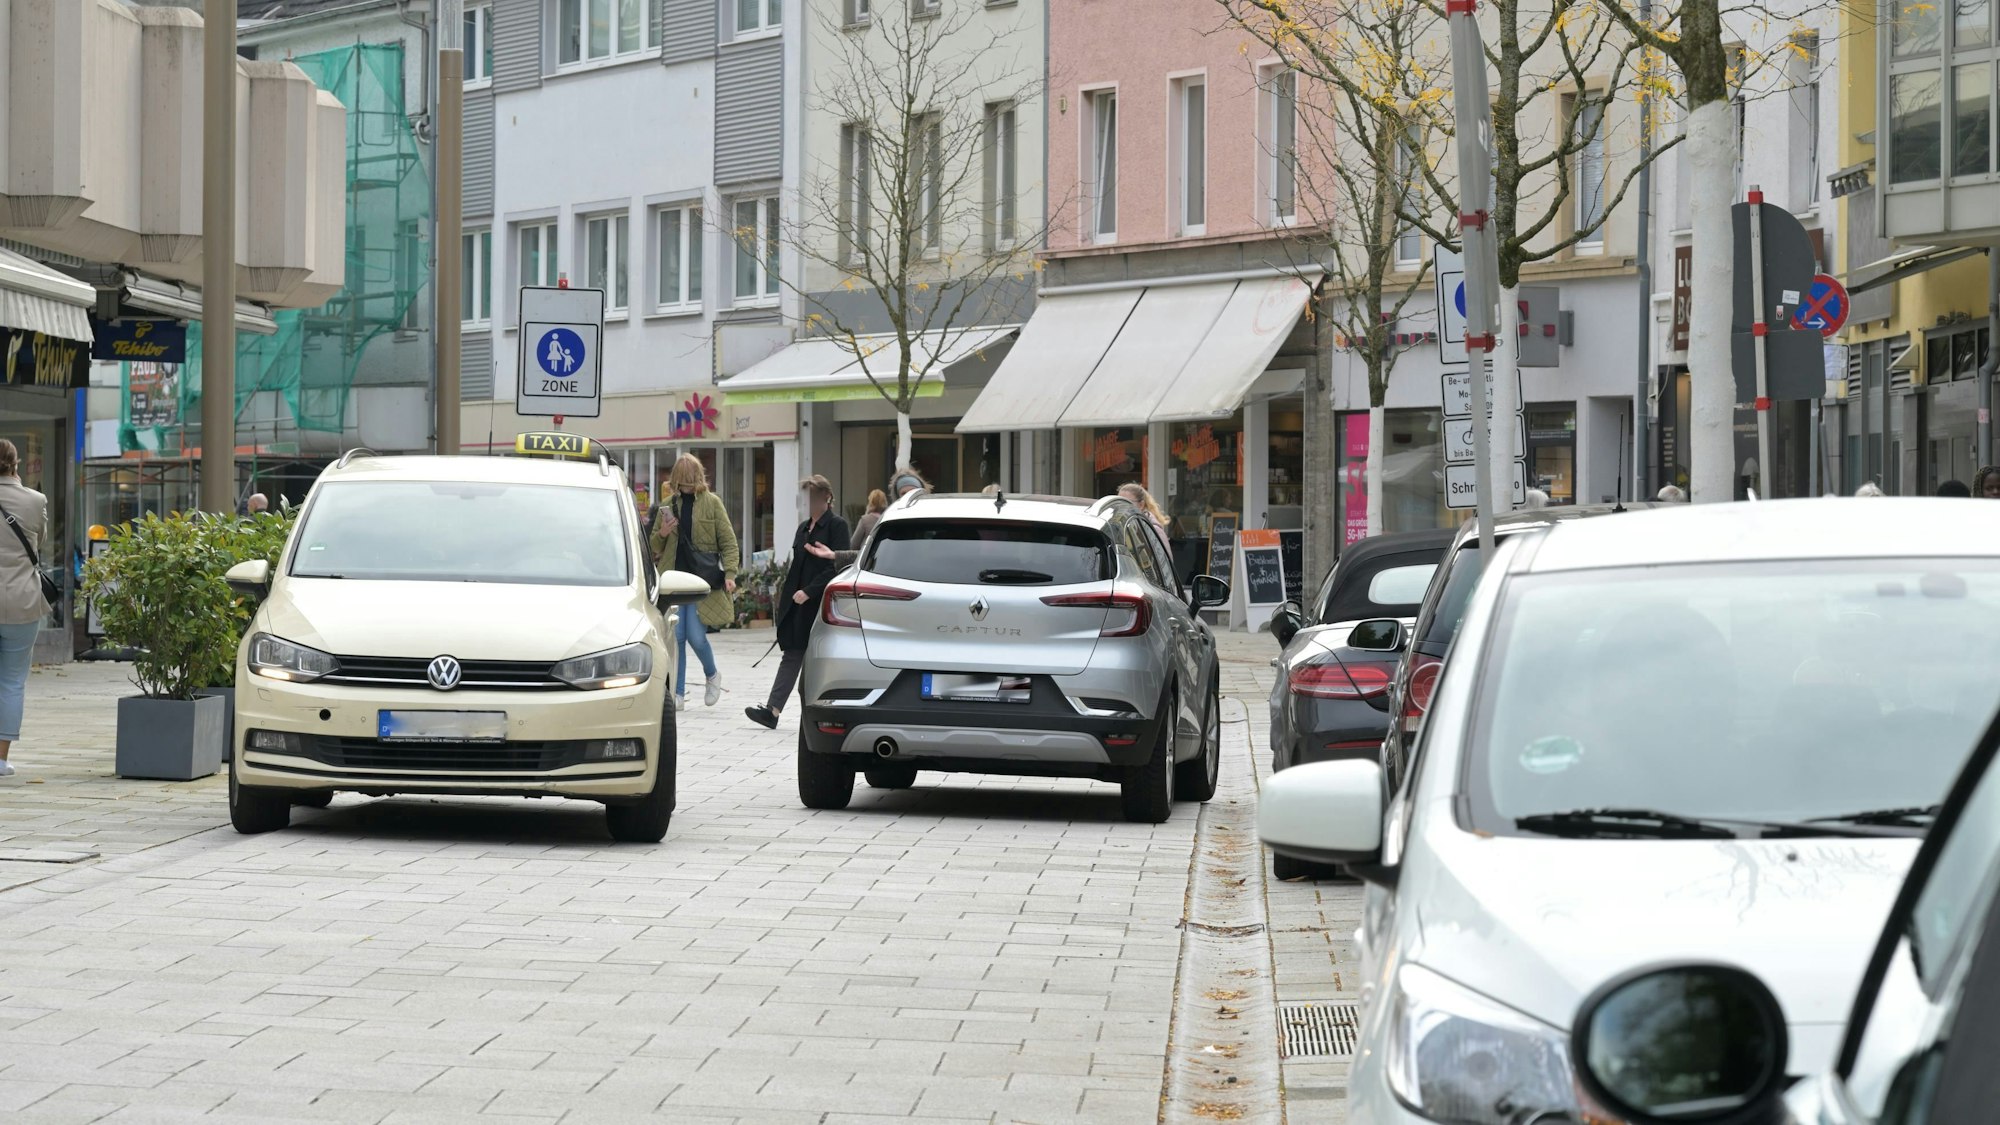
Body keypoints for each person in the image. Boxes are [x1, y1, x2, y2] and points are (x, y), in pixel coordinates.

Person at [747, 476, 850, 729]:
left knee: (819, 659)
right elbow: (797, 567)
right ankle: (772, 710)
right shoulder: (803, 528)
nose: (807, 503)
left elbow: (837, 568)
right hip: (798, 603)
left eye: (812, 497)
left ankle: (820, 712)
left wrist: (810, 591)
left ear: (826, 497)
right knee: (792, 654)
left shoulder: (837, 526)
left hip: (821, 603)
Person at [649, 454, 739, 710]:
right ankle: (677, 694)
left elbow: (728, 541)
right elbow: (654, 545)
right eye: (682, 481)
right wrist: (663, 532)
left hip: (701, 580)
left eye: (689, 481)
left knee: (696, 637)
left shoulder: (712, 503)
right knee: (677, 638)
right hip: (674, 580)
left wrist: (730, 574)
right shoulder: (668, 505)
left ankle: (712, 675)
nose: (686, 486)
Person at [0, 441, 47, 778]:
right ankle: (1, 760)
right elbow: (38, 543)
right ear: (15, 464)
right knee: (13, 682)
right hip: (22, 602)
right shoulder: (35, 500)